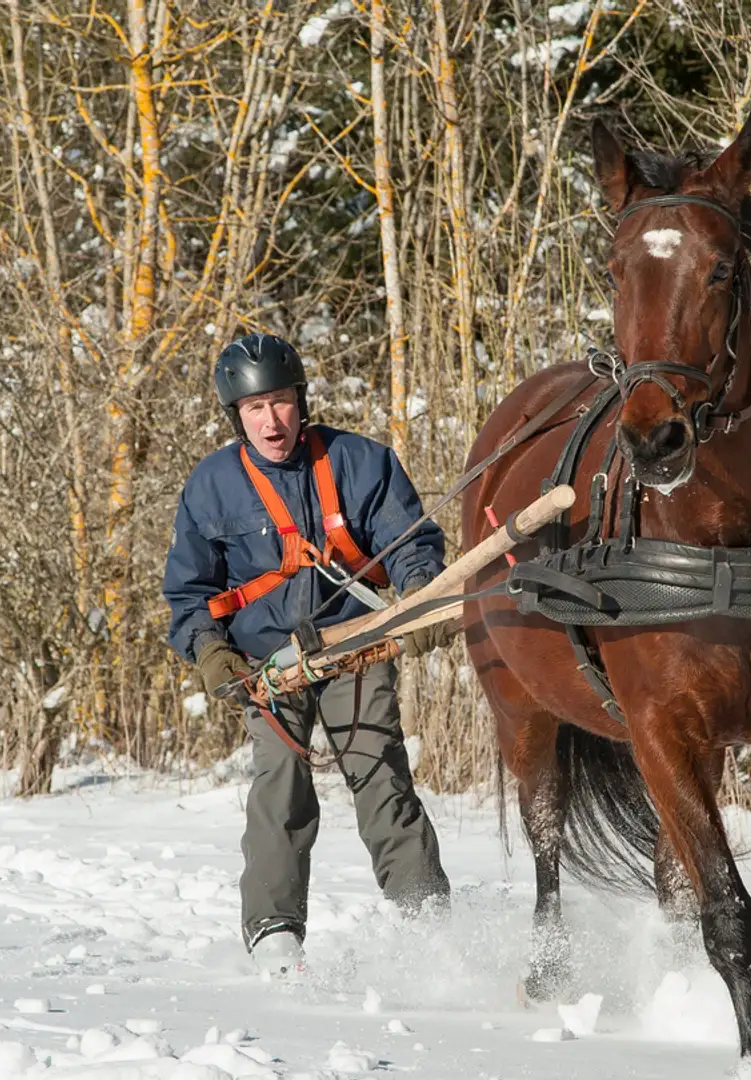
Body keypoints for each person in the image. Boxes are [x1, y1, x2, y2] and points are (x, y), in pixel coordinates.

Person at [163, 333, 455, 979]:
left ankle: (428, 926)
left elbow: (410, 542)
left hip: (355, 644)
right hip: (265, 663)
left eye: (282, 402)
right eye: (255, 408)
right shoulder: (212, 485)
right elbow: (190, 590)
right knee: (280, 786)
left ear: (302, 400)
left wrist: (420, 595)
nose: (272, 420)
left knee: (380, 773)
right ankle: (274, 933)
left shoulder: (362, 461)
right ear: (236, 416)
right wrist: (211, 650)